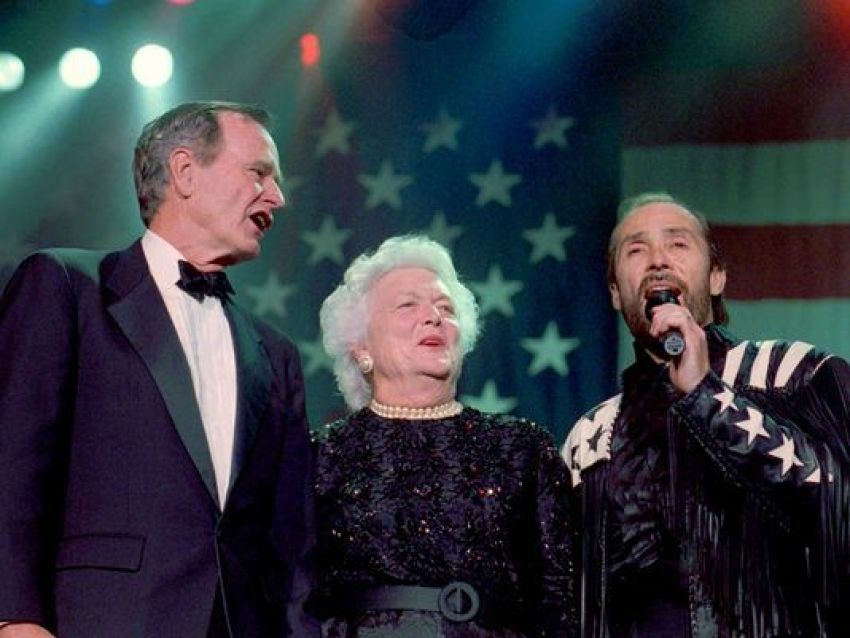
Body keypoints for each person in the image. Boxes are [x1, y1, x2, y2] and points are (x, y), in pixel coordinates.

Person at [0, 101, 315, 637]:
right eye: (259, 172)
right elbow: (12, 464)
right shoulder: (66, 287)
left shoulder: (275, 353)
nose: (277, 197)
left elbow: (291, 540)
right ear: (186, 172)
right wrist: (15, 618)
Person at [561, 192, 850, 637]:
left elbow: (837, 506)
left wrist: (706, 396)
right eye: (636, 250)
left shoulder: (794, 374)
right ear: (616, 294)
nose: (657, 260)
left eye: (678, 245)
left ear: (717, 277)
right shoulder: (590, 437)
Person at [310, 235, 579, 638]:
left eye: (445, 308)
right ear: (361, 347)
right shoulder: (320, 455)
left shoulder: (523, 448)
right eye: (408, 305)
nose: (433, 317)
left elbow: (560, 600)